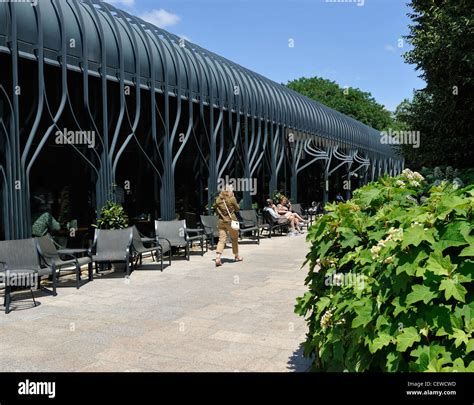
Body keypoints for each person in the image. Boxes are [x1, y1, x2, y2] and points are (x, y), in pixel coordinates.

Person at [214, 185, 243, 267]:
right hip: (231, 221)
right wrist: (233, 199)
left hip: (221, 221)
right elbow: (237, 208)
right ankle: (236, 256)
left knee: (222, 239)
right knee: (234, 238)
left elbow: (216, 209)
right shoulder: (232, 198)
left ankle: (218, 257)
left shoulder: (218, 199)